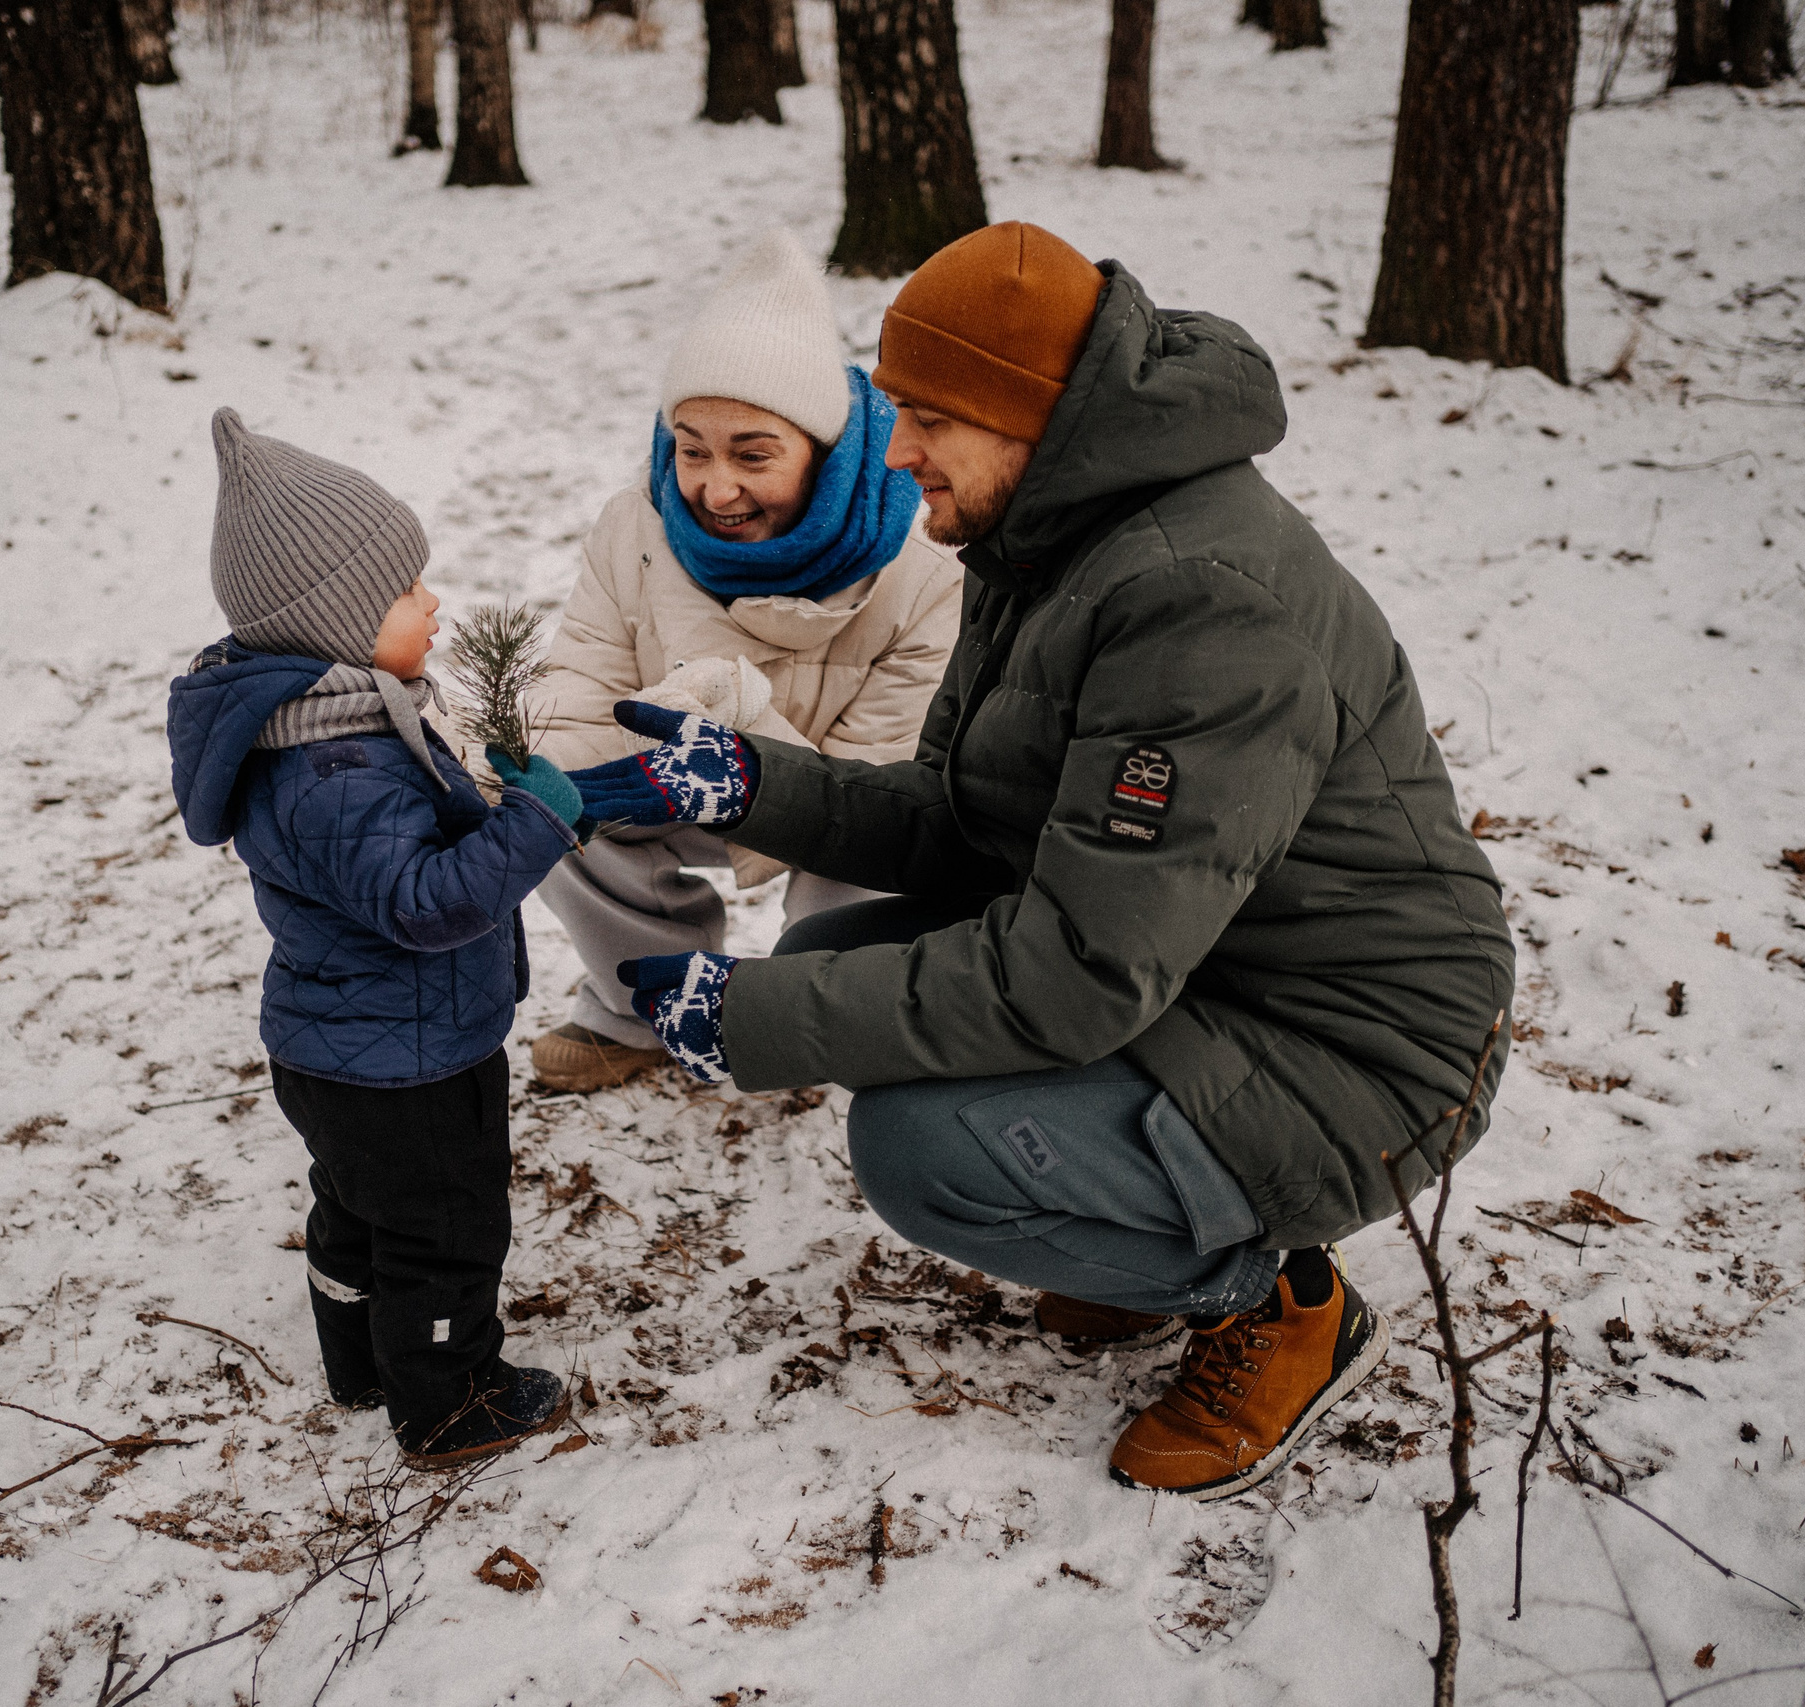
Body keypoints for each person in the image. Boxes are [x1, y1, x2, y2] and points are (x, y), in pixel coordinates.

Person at [567, 223, 1516, 1500]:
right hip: (1209, 967)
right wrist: (754, 785)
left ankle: (1278, 1301)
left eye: (926, 418)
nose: (893, 452)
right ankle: (1140, 1221)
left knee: (920, 1149)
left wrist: (753, 1021)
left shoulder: (1196, 599)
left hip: (1356, 1047)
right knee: (838, 954)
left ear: (1031, 415)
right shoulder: (1049, 540)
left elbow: (1074, 971)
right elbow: (975, 817)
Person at [167, 408, 590, 1468]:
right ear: (336, 622)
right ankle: (448, 1404)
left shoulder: (326, 731)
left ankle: (361, 1359)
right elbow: (424, 904)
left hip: (347, 1047)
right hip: (406, 1058)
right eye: (405, 590)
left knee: (358, 1209)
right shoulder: (336, 771)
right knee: (442, 1230)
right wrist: (536, 825)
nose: (432, 601)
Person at [524, 230, 961, 1093]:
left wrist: (738, 757)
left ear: (824, 452)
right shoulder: (633, 530)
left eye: (753, 454)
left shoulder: (923, 570)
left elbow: (884, 783)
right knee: (556, 805)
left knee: (870, 865)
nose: (716, 489)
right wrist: (529, 781)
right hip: (662, 784)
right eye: (692, 449)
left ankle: (814, 1016)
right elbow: (581, 697)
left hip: (841, 805)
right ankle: (640, 1008)